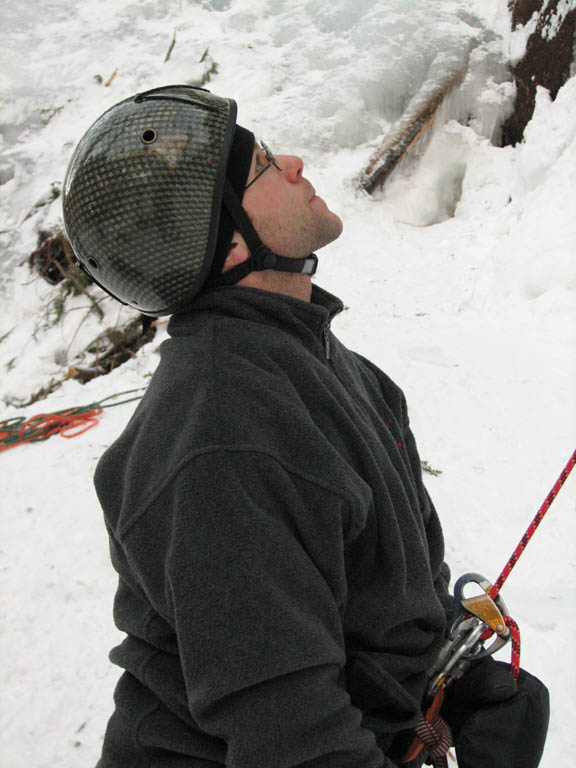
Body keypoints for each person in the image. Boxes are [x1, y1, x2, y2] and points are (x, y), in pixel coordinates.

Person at [63, 85, 549, 768]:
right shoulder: (223, 442)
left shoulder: (321, 361)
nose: (292, 162)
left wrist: (452, 668)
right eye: (263, 166)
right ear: (227, 243)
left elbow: (374, 585)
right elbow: (291, 738)